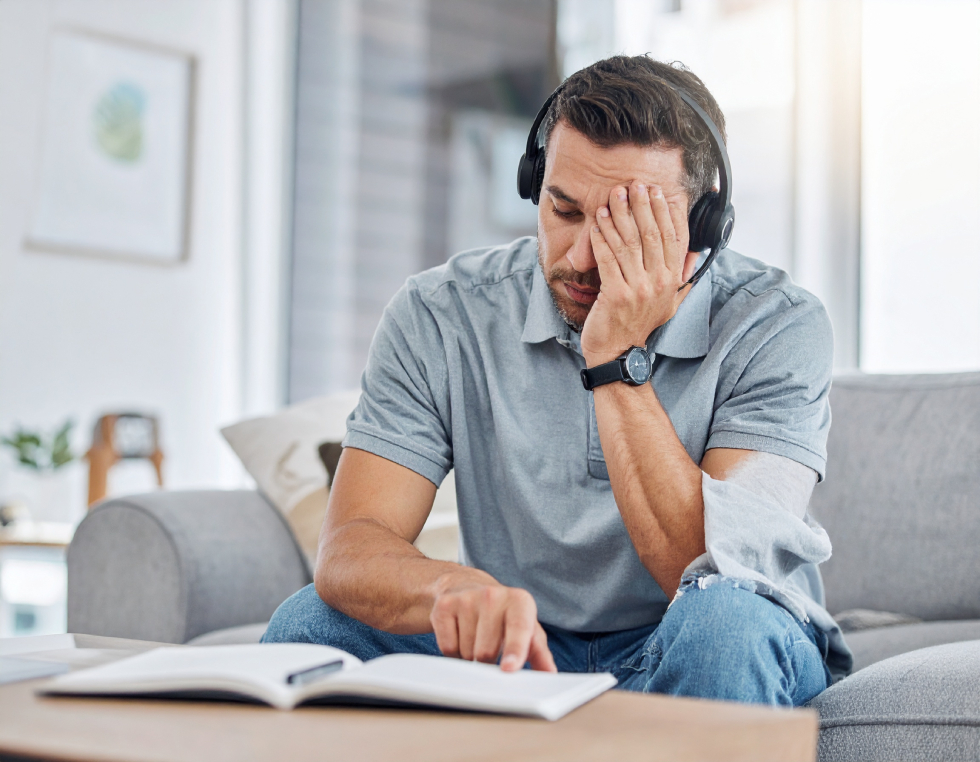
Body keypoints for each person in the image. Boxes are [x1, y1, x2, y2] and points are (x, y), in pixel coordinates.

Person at [263, 55, 852, 706]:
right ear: (534, 186)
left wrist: (615, 357)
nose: (579, 259)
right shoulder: (442, 312)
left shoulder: (778, 326)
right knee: (309, 626)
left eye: (627, 225)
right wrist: (449, 588)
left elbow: (706, 567)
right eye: (564, 210)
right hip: (525, 647)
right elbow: (349, 548)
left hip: (701, 628)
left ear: (703, 225)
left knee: (724, 627)